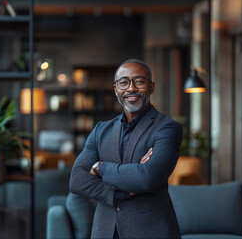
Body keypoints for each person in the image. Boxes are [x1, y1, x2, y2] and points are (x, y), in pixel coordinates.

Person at [69, 59, 183, 239]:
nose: (131, 88)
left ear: (151, 87)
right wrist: (117, 193)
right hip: (104, 231)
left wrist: (100, 167)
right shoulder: (101, 130)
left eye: (139, 81)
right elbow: (77, 180)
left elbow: (147, 178)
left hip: (149, 231)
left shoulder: (167, 128)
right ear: (116, 90)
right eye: (124, 82)